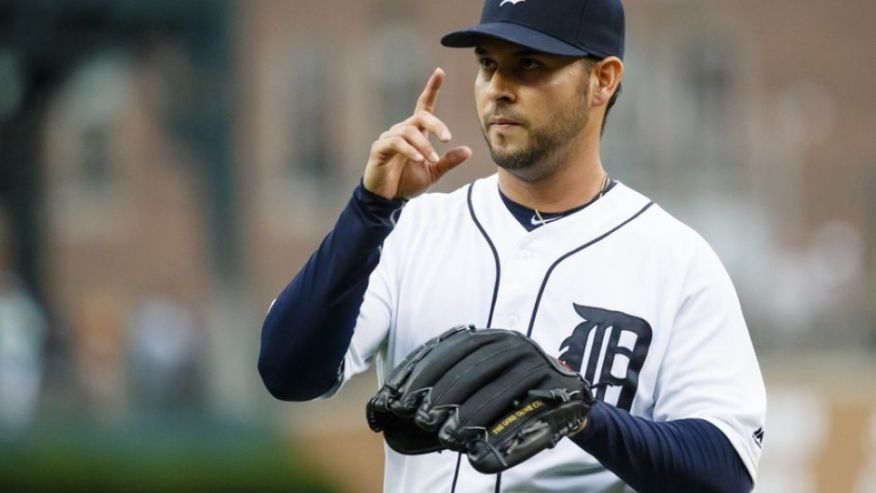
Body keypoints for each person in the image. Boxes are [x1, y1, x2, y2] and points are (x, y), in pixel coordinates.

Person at [258, 0, 766, 491]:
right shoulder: (411, 230)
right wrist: (369, 210)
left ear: (604, 80)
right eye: (487, 64)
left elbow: (724, 469)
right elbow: (287, 372)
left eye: (528, 65)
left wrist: (583, 415)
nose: (498, 88)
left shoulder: (676, 261)